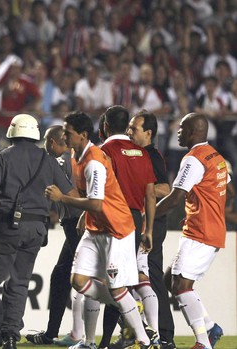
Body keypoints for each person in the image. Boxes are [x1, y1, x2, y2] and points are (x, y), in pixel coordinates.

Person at [45, 111, 154, 349]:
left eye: (68, 132)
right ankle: (122, 306)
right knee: (78, 280)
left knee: (116, 288)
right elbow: (91, 198)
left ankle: (144, 340)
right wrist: (85, 213)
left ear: (83, 135)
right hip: (96, 228)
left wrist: (62, 198)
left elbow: (97, 202)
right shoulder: (76, 154)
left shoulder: (94, 161)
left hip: (117, 229)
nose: (64, 136)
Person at [0, 114, 74, 349]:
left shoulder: (3, 157)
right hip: (37, 229)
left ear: (12, 131)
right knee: (19, 283)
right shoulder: (49, 161)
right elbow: (70, 195)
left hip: (6, 225)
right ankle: (11, 336)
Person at [155, 113, 229, 349]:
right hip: (209, 228)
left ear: (195, 132)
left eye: (182, 128)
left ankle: (203, 343)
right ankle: (209, 328)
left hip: (201, 232)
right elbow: (230, 192)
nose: (178, 131)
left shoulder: (193, 159)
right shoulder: (216, 157)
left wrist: (146, 216)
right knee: (170, 280)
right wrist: (203, 208)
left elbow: (175, 198)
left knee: (181, 287)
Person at [97, 105, 159, 349]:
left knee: (108, 282)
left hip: (112, 218)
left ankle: (132, 336)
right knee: (122, 280)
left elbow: (99, 188)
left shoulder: (105, 150)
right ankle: (132, 335)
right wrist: (149, 229)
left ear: (105, 127)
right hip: (135, 220)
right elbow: (151, 194)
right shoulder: (142, 153)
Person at [26, 125, 85, 347]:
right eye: (64, 141)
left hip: (76, 224)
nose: (66, 145)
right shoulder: (73, 159)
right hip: (75, 223)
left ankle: (131, 324)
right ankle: (53, 334)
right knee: (61, 277)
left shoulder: (59, 161)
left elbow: (71, 194)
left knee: (84, 279)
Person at [127, 111, 176, 349]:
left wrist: (141, 187)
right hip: (142, 223)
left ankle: (165, 334)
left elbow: (166, 189)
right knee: (137, 278)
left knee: (152, 277)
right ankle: (138, 332)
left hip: (153, 225)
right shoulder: (135, 154)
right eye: (128, 127)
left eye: (134, 129)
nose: (129, 132)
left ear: (148, 133)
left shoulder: (151, 155)